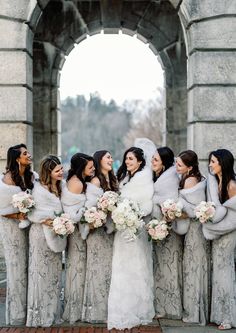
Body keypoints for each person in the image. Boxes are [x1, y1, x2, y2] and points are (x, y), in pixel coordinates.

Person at [108, 147, 155, 330]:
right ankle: (121, 307)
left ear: (140, 162)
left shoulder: (144, 180)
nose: (127, 162)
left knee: (136, 267)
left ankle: (138, 308)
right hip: (122, 230)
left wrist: (132, 216)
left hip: (135, 231)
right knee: (121, 267)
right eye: (126, 158)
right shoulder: (124, 178)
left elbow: (146, 206)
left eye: (131, 159)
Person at [26, 155, 66, 327]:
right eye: (57, 171)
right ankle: (39, 315)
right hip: (40, 236)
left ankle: (52, 311)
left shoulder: (62, 187)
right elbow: (32, 213)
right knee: (40, 274)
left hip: (55, 235)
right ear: (48, 172)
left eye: (62, 169)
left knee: (54, 274)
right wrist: (46, 219)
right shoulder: (37, 190)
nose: (61, 173)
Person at [0, 144, 35, 325]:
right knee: (16, 269)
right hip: (12, 229)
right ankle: (16, 315)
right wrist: (18, 215)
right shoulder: (7, 180)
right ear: (16, 158)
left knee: (30, 267)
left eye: (28, 152)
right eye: (25, 154)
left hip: (29, 228)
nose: (29, 155)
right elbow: (2, 209)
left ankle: (31, 311)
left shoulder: (31, 176)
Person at [82, 150, 118, 323]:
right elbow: (90, 208)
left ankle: (108, 309)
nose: (111, 159)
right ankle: (96, 311)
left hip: (111, 232)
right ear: (99, 161)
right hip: (97, 232)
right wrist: (104, 209)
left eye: (111, 157)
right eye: (108, 157)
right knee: (98, 270)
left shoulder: (114, 179)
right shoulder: (95, 181)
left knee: (109, 272)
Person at [202, 149, 236, 330]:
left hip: (228, 234)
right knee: (219, 272)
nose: (210, 164)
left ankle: (229, 317)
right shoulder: (216, 181)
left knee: (225, 273)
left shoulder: (231, 185)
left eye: (213, 161)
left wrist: (214, 227)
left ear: (223, 163)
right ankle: (219, 313)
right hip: (218, 233)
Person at [175, 150, 209, 325]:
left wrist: (174, 213)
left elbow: (192, 211)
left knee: (193, 268)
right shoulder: (193, 178)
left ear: (189, 166)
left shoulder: (190, 180)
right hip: (193, 231)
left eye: (179, 164)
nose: (176, 167)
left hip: (195, 231)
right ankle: (196, 310)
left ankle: (194, 313)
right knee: (193, 267)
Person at [62, 153, 95, 324]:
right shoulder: (77, 184)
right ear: (82, 168)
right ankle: (74, 309)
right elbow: (72, 214)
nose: (93, 169)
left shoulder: (77, 180)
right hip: (76, 234)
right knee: (77, 268)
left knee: (77, 267)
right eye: (90, 167)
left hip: (77, 232)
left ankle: (78, 305)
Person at [151, 147, 183, 319]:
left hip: (168, 230)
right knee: (161, 267)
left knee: (169, 267)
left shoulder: (169, 178)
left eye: (155, 160)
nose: (152, 163)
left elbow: (170, 204)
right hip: (159, 229)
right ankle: (161, 305)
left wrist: (162, 223)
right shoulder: (161, 176)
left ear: (164, 161)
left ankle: (170, 307)